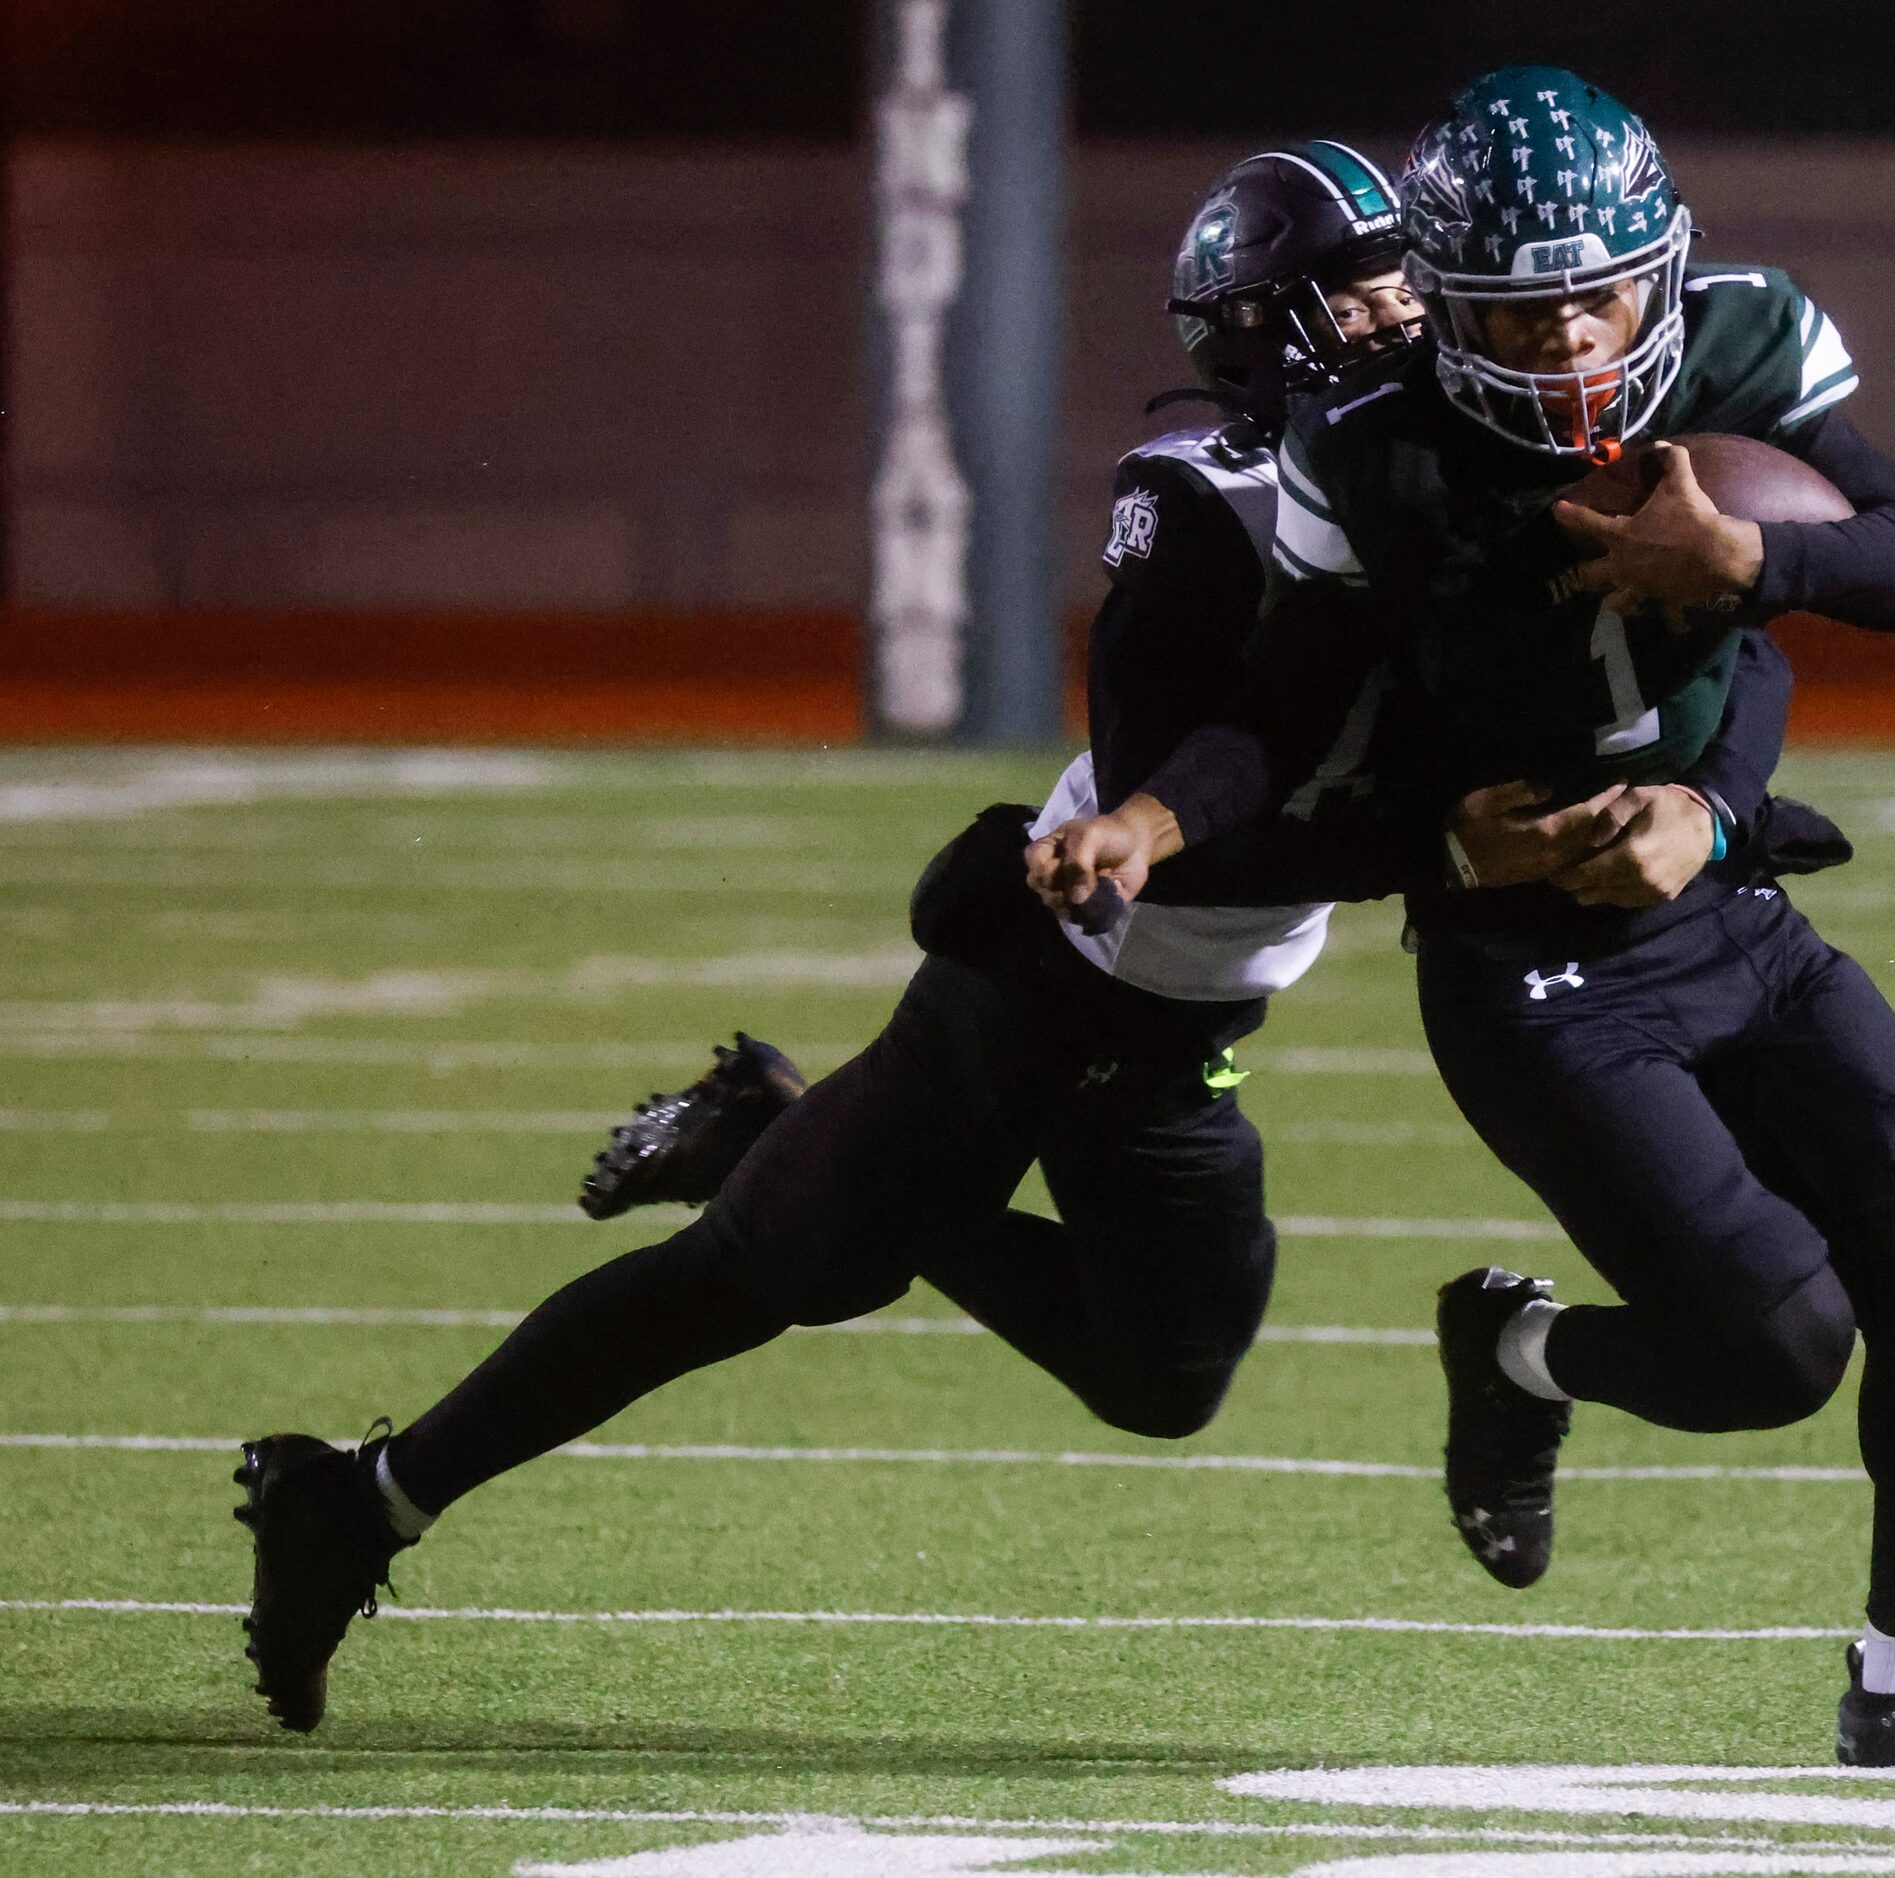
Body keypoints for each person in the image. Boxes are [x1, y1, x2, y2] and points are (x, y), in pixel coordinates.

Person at [227, 138, 1785, 1737]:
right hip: (1058, 980)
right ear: (1261, 327)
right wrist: (1434, 848)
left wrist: (1713, 790)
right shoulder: (1207, 499)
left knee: (1164, 1373)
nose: (1408, 321)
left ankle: (772, 1124)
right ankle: (363, 1494)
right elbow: (1153, 805)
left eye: (1413, 284)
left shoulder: (1472, 459)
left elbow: (1721, 639)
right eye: (1366, 294)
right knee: (760, 1276)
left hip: (1184, 1023)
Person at [1031, 67, 1895, 1774]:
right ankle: (1517, 1352)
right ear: (1445, 306)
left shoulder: (1741, 345)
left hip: (1723, 900)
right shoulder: (1371, 451)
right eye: (1523, 315)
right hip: (1529, 962)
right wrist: (1152, 813)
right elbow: (1288, 705)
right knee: (1773, 1348)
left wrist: (1749, 578)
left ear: (1663, 268)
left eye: (1601, 295)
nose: (1576, 343)